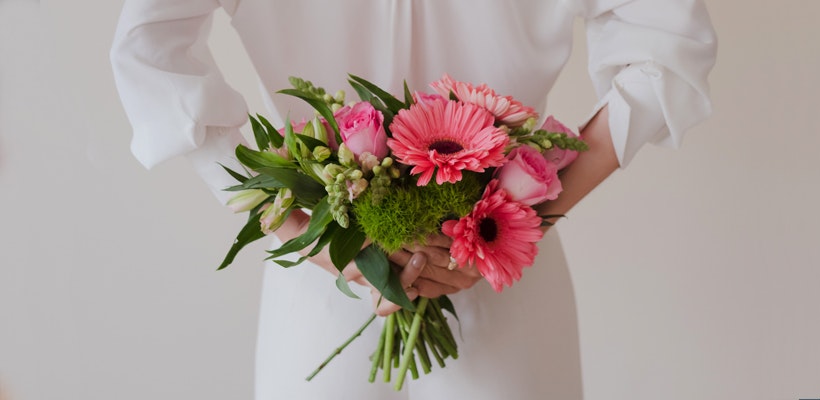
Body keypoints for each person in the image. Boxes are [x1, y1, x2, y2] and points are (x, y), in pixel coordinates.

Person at [111, 0, 716, 398]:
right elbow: (668, 48)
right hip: (475, 277)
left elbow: (148, 49)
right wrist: (509, 222)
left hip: (333, 275)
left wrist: (305, 229)